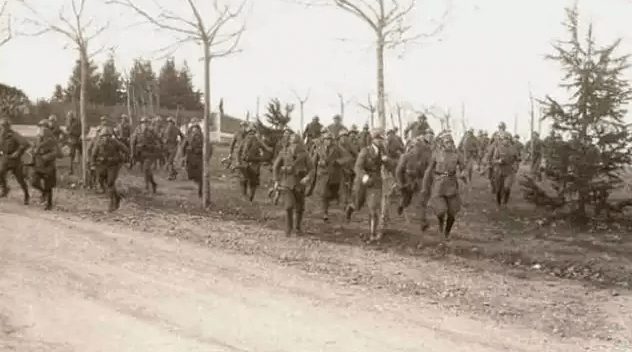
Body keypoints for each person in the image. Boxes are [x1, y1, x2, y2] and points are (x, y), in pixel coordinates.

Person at [345, 127, 393, 242]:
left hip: (375, 182)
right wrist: (364, 176)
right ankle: (350, 208)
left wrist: (387, 161)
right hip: (362, 182)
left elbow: (390, 166)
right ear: (374, 140)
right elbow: (357, 167)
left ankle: (373, 234)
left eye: (382, 139)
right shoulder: (365, 151)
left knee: (373, 208)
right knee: (357, 205)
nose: (381, 141)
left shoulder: (383, 152)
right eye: (379, 139)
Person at [420, 130, 466, 239]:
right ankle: (441, 226)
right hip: (439, 184)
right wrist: (424, 187)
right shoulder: (436, 154)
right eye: (447, 142)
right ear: (442, 143)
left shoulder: (456, 154)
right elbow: (428, 170)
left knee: (452, 212)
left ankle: (447, 233)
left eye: (451, 142)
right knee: (441, 211)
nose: (449, 144)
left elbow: (463, 166)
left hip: (451, 185)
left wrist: (463, 173)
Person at [272, 133, 314, 237]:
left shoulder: (305, 154)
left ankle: (298, 228)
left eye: (297, 143)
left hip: (300, 184)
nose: (295, 145)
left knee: (300, 207)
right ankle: (288, 227)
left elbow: (312, 169)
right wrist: (276, 180)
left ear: (300, 143)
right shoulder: (284, 152)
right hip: (287, 183)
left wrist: (307, 177)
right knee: (289, 206)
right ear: (289, 142)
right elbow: (275, 167)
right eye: (293, 142)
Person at [30, 119, 62, 210]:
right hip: (38, 165)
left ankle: (49, 204)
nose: (41, 128)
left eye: (43, 126)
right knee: (34, 182)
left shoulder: (52, 141)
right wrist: (33, 151)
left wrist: (47, 156)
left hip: (48, 166)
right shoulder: (38, 138)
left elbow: (59, 153)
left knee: (49, 185)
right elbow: (33, 149)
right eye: (40, 126)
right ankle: (43, 192)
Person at [0, 117, 30, 204]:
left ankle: (26, 195)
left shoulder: (14, 135)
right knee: (0, 172)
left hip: (15, 161)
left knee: (20, 179)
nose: (3, 128)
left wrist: (18, 152)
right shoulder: (1, 135)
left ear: (9, 126)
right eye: (2, 126)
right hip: (6, 158)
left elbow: (25, 143)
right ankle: (5, 189)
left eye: (5, 126)